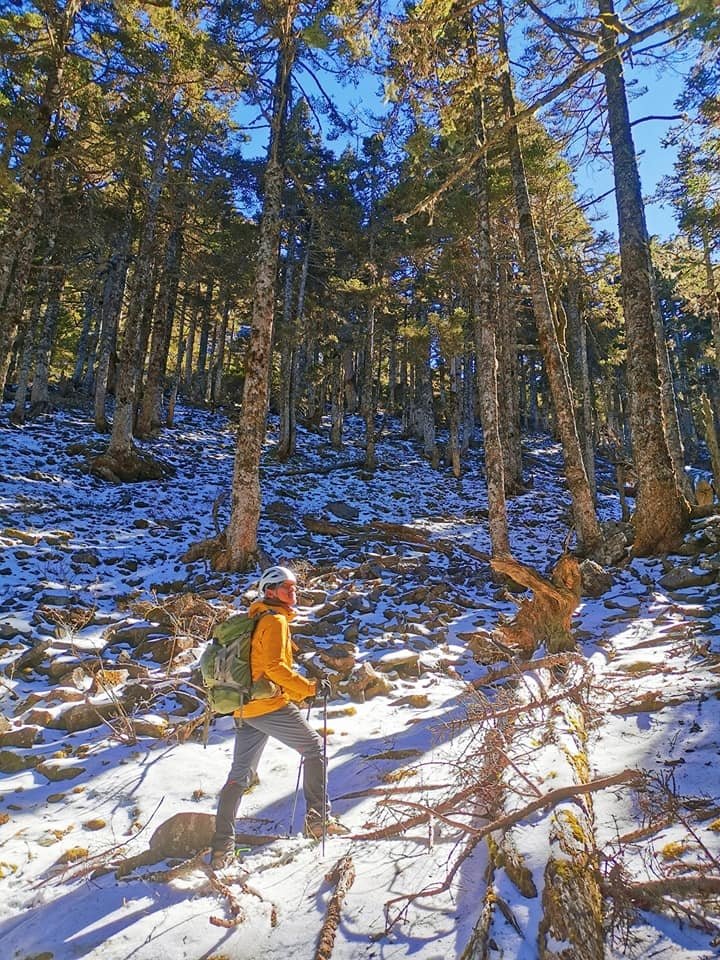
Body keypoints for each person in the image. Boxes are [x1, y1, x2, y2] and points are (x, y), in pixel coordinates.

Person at [210, 564, 349, 868]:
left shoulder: (260, 618)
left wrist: (302, 685)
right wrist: (308, 689)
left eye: (295, 586)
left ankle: (222, 848)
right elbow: (274, 667)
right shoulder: (274, 621)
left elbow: (268, 664)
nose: (293, 591)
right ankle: (318, 821)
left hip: (246, 706)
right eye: (287, 587)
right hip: (268, 704)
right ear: (269, 592)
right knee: (314, 749)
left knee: (239, 775)